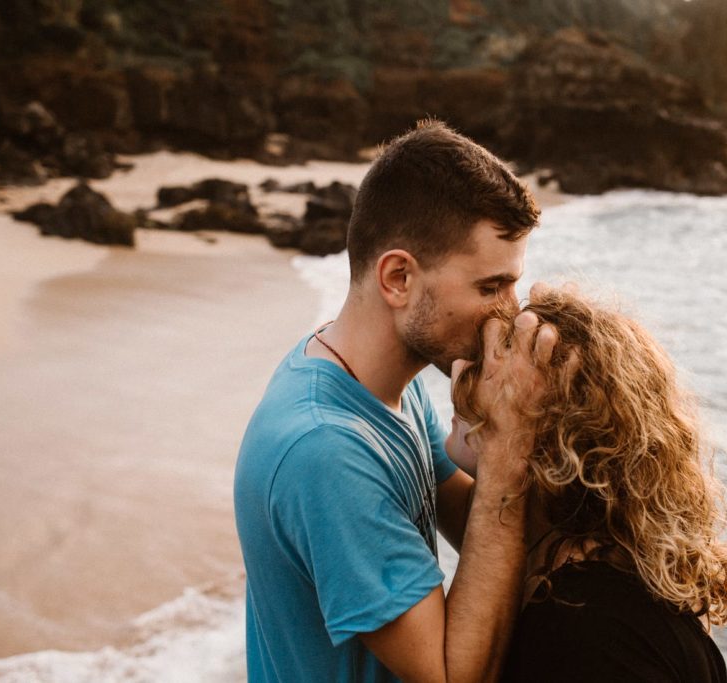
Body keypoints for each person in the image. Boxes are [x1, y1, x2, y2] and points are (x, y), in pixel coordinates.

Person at [234, 120, 564, 682]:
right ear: (398, 278)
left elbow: (482, 521)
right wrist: (509, 449)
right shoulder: (326, 451)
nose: (510, 311)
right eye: (490, 287)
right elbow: (452, 674)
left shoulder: (381, 384)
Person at [450, 286, 727, 682]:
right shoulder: (606, 578)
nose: (457, 375)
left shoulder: (582, 632)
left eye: (491, 367)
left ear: (548, 430)